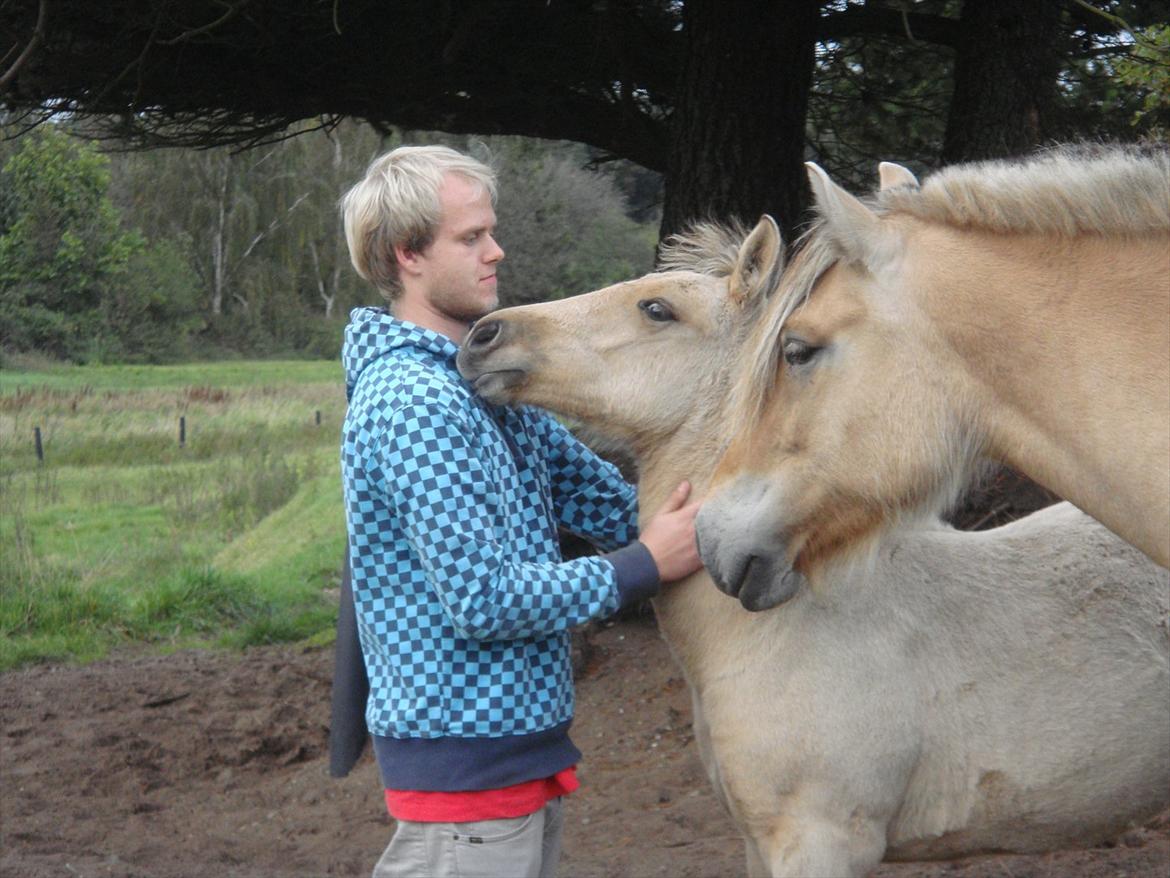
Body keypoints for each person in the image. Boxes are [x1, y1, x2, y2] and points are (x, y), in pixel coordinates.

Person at [337, 144, 703, 878]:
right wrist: (642, 566)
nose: (495, 251)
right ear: (408, 254)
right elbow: (483, 599)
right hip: (467, 779)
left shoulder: (482, 388)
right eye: (470, 238)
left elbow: (608, 501)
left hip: (512, 760)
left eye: (490, 232)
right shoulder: (416, 402)